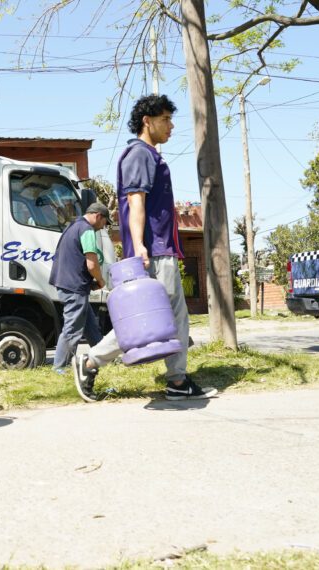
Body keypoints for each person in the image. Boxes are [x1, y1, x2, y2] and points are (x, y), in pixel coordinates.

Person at [73, 94, 218, 402]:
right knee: (151, 319)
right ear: (147, 121)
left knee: (175, 317)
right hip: (153, 250)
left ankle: (177, 381)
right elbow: (135, 201)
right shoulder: (139, 154)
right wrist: (139, 245)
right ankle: (90, 362)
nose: (171, 125)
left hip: (162, 248)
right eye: (165, 119)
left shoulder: (150, 155)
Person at [48, 202, 110, 400]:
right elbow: (91, 263)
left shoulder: (72, 226)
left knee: (90, 326)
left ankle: (103, 356)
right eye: (105, 222)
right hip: (74, 286)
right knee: (73, 328)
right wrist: (101, 280)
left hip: (67, 282)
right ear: (98, 216)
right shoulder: (87, 230)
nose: (104, 227)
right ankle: (59, 367)